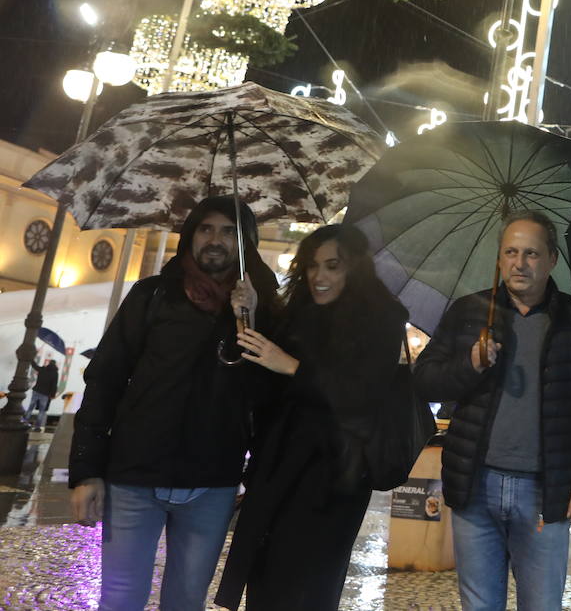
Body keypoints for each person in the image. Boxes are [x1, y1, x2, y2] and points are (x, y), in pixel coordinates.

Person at [69, 196, 278, 611]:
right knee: (120, 599)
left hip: (212, 485)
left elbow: (268, 398)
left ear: (246, 244)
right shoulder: (151, 296)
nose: (215, 239)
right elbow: (105, 380)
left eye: (228, 232)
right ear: (190, 237)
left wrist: (253, 320)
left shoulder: (263, 310)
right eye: (206, 229)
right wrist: (87, 470)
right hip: (134, 478)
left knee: (185, 602)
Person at [413, 210, 571, 611]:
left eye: (531, 253)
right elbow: (425, 380)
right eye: (510, 252)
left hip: (546, 491)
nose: (519, 263)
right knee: (478, 605)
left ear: (552, 260)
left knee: (542, 604)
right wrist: (469, 365)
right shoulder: (469, 312)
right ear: (499, 258)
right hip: (475, 486)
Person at [214, 224, 407, 610]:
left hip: (335, 479)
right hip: (281, 467)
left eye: (333, 266)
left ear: (354, 268)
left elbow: (361, 395)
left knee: (308, 590)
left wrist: (292, 367)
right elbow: (265, 390)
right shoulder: (299, 313)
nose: (319, 277)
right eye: (313, 266)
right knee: (267, 584)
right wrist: (248, 317)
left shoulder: (383, 318)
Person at [27, 357, 59, 427]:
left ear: (49, 363)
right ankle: (37, 427)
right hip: (45, 394)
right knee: (41, 411)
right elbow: (54, 385)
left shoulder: (43, 369)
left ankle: (25, 422)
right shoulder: (55, 373)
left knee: (30, 408)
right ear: (55, 365)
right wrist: (52, 395)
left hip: (36, 391)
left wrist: (31, 358)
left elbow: (35, 366)